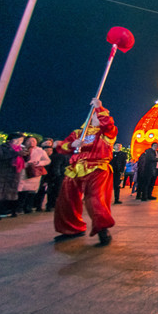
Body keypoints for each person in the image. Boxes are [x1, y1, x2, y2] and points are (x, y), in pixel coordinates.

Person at [54, 98, 117, 245]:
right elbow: (62, 147)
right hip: (75, 168)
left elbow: (108, 125)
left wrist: (100, 108)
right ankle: (71, 228)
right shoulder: (78, 133)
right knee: (67, 199)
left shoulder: (105, 133)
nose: (96, 118)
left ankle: (102, 229)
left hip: (97, 167)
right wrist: (71, 144)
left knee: (95, 198)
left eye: (98, 116)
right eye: (94, 115)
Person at [0, 132, 25, 221]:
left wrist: (25, 155)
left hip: (11, 176)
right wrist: (16, 154)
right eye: (18, 140)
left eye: (21, 140)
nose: (20, 142)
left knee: (1, 197)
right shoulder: (2, 148)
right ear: (11, 140)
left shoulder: (19, 149)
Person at [17, 136, 51, 214]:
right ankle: (19, 207)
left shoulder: (40, 150)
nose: (32, 143)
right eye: (30, 141)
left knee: (32, 191)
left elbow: (47, 160)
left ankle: (28, 207)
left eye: (34, 141)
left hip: (34, 172)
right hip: (23, 171)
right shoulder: (20, 149)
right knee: (21, 190)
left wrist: (39, 163)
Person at [45, 141, 69, 212]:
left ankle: (52, 205)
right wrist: (57, 175)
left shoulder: (59, 154)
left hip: (57, 175)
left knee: (55, 191)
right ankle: (52, 205)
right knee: (56, 191)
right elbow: (57, 166)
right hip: (58, 176)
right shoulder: (60, 155)